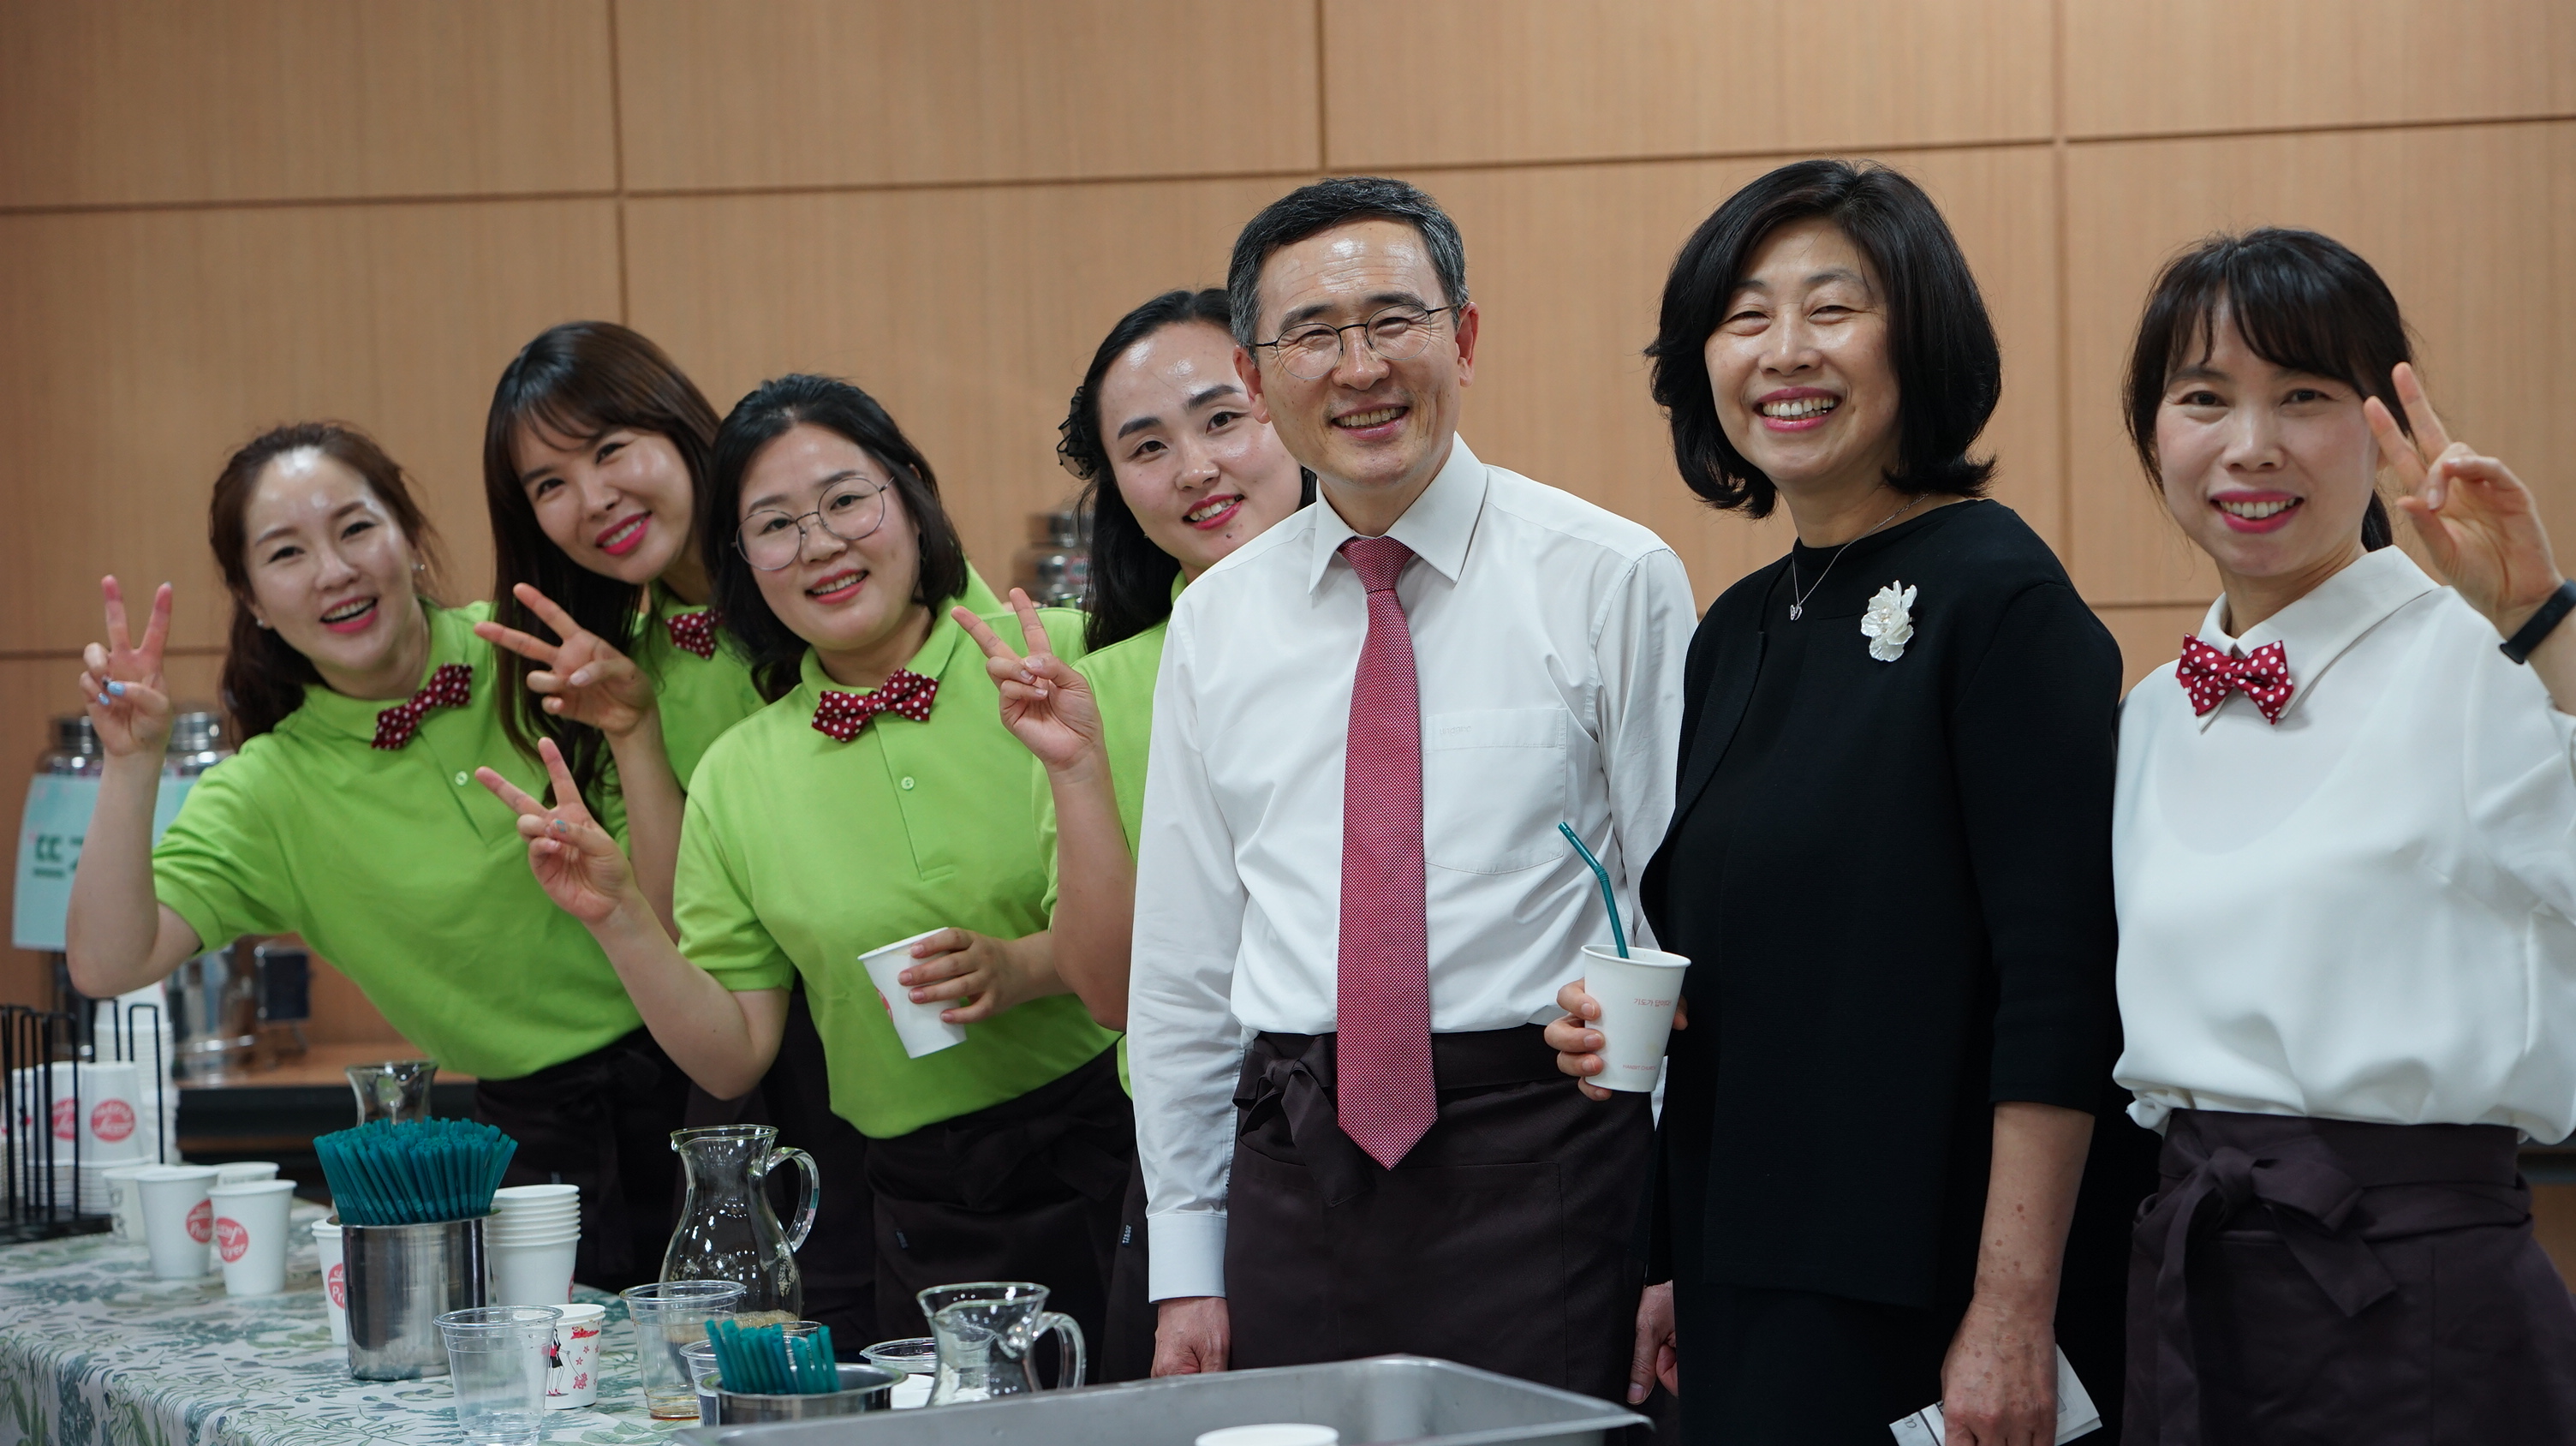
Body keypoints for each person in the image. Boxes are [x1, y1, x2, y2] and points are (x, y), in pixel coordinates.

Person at [1550, 159, 2145, 1444]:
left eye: (1832, 308)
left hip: (1923, 1290)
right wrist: (1664, 1247)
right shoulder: (1739, 626)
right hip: (1744, 1271)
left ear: (1918, 337)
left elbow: (2061, 990)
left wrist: (2012, 1310)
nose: (1785, 352)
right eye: (1744, 317)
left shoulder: (2001, 601)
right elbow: (1747, 967)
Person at [1127, 176, 1696, 1401]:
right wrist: (1187, 1263)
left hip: (1551, 1158)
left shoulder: (1610, 576)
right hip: (1294, 1168)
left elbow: (1680, 917)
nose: (1361, 367)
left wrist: (1676, 1238)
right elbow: (1182, 965)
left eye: (1395, 320)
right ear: (1256, 376)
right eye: (1313, 335)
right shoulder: (1216, 622)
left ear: (1465, 338)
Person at [479, 373, 1130, 1347]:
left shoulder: (1067, 662)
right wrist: (618, 918)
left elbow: (1191, 922)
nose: (819, 543)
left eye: (845, 500)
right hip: (920, 1200)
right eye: (775, 525)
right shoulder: (738, 772)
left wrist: (1025, 965)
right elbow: (733, 1050)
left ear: (911, 493)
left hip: (1126, 1145)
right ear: (741, 561)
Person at [2109, 229, 2576, 1442]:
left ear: (2380, 429)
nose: (2250, 444)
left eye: (2303, 396)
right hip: (2194, 1283)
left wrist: (2544, 630)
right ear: (2152, 435)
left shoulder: (2487, 656)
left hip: (2419, 1299)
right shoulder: (2152, 710)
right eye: (2203, 399)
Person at [63, 421, 689, 1289]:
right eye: (287, 552)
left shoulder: (543, 655)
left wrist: (634, 726)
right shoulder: (270, 789)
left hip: (707, 1067)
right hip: (535, 1141)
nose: (334, 570)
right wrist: (132, 763)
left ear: (409, 536)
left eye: (355, 528)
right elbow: (107, 961)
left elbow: (689, 900)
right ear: (251, 597)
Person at [476, 320, 878, 1343]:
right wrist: (632, 729)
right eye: (549, 483)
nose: (593, 497)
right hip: (767, 1053)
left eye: (611, 449)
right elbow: (682, 934)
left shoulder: (839, 581)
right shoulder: (620, 664)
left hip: (912, 1005)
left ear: (680, 429)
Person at [948, 286, 1309, 1380]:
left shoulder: (1418, 619)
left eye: (1222, 418)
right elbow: (1109, 991)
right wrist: (1078, 770)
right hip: (1206, 1160)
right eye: (1147, 447)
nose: (1195, 467)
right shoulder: (1092, 691)